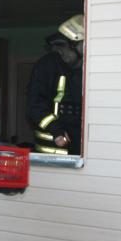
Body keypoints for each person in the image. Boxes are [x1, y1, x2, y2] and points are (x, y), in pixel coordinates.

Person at [26, 14, 85, 155]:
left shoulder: (90, 68)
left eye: (64, 46)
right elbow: (34, 106)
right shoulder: (47, 66)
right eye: (58, 46)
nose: (60, 51)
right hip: (52, 145)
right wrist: (56, 130)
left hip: (82, 144)